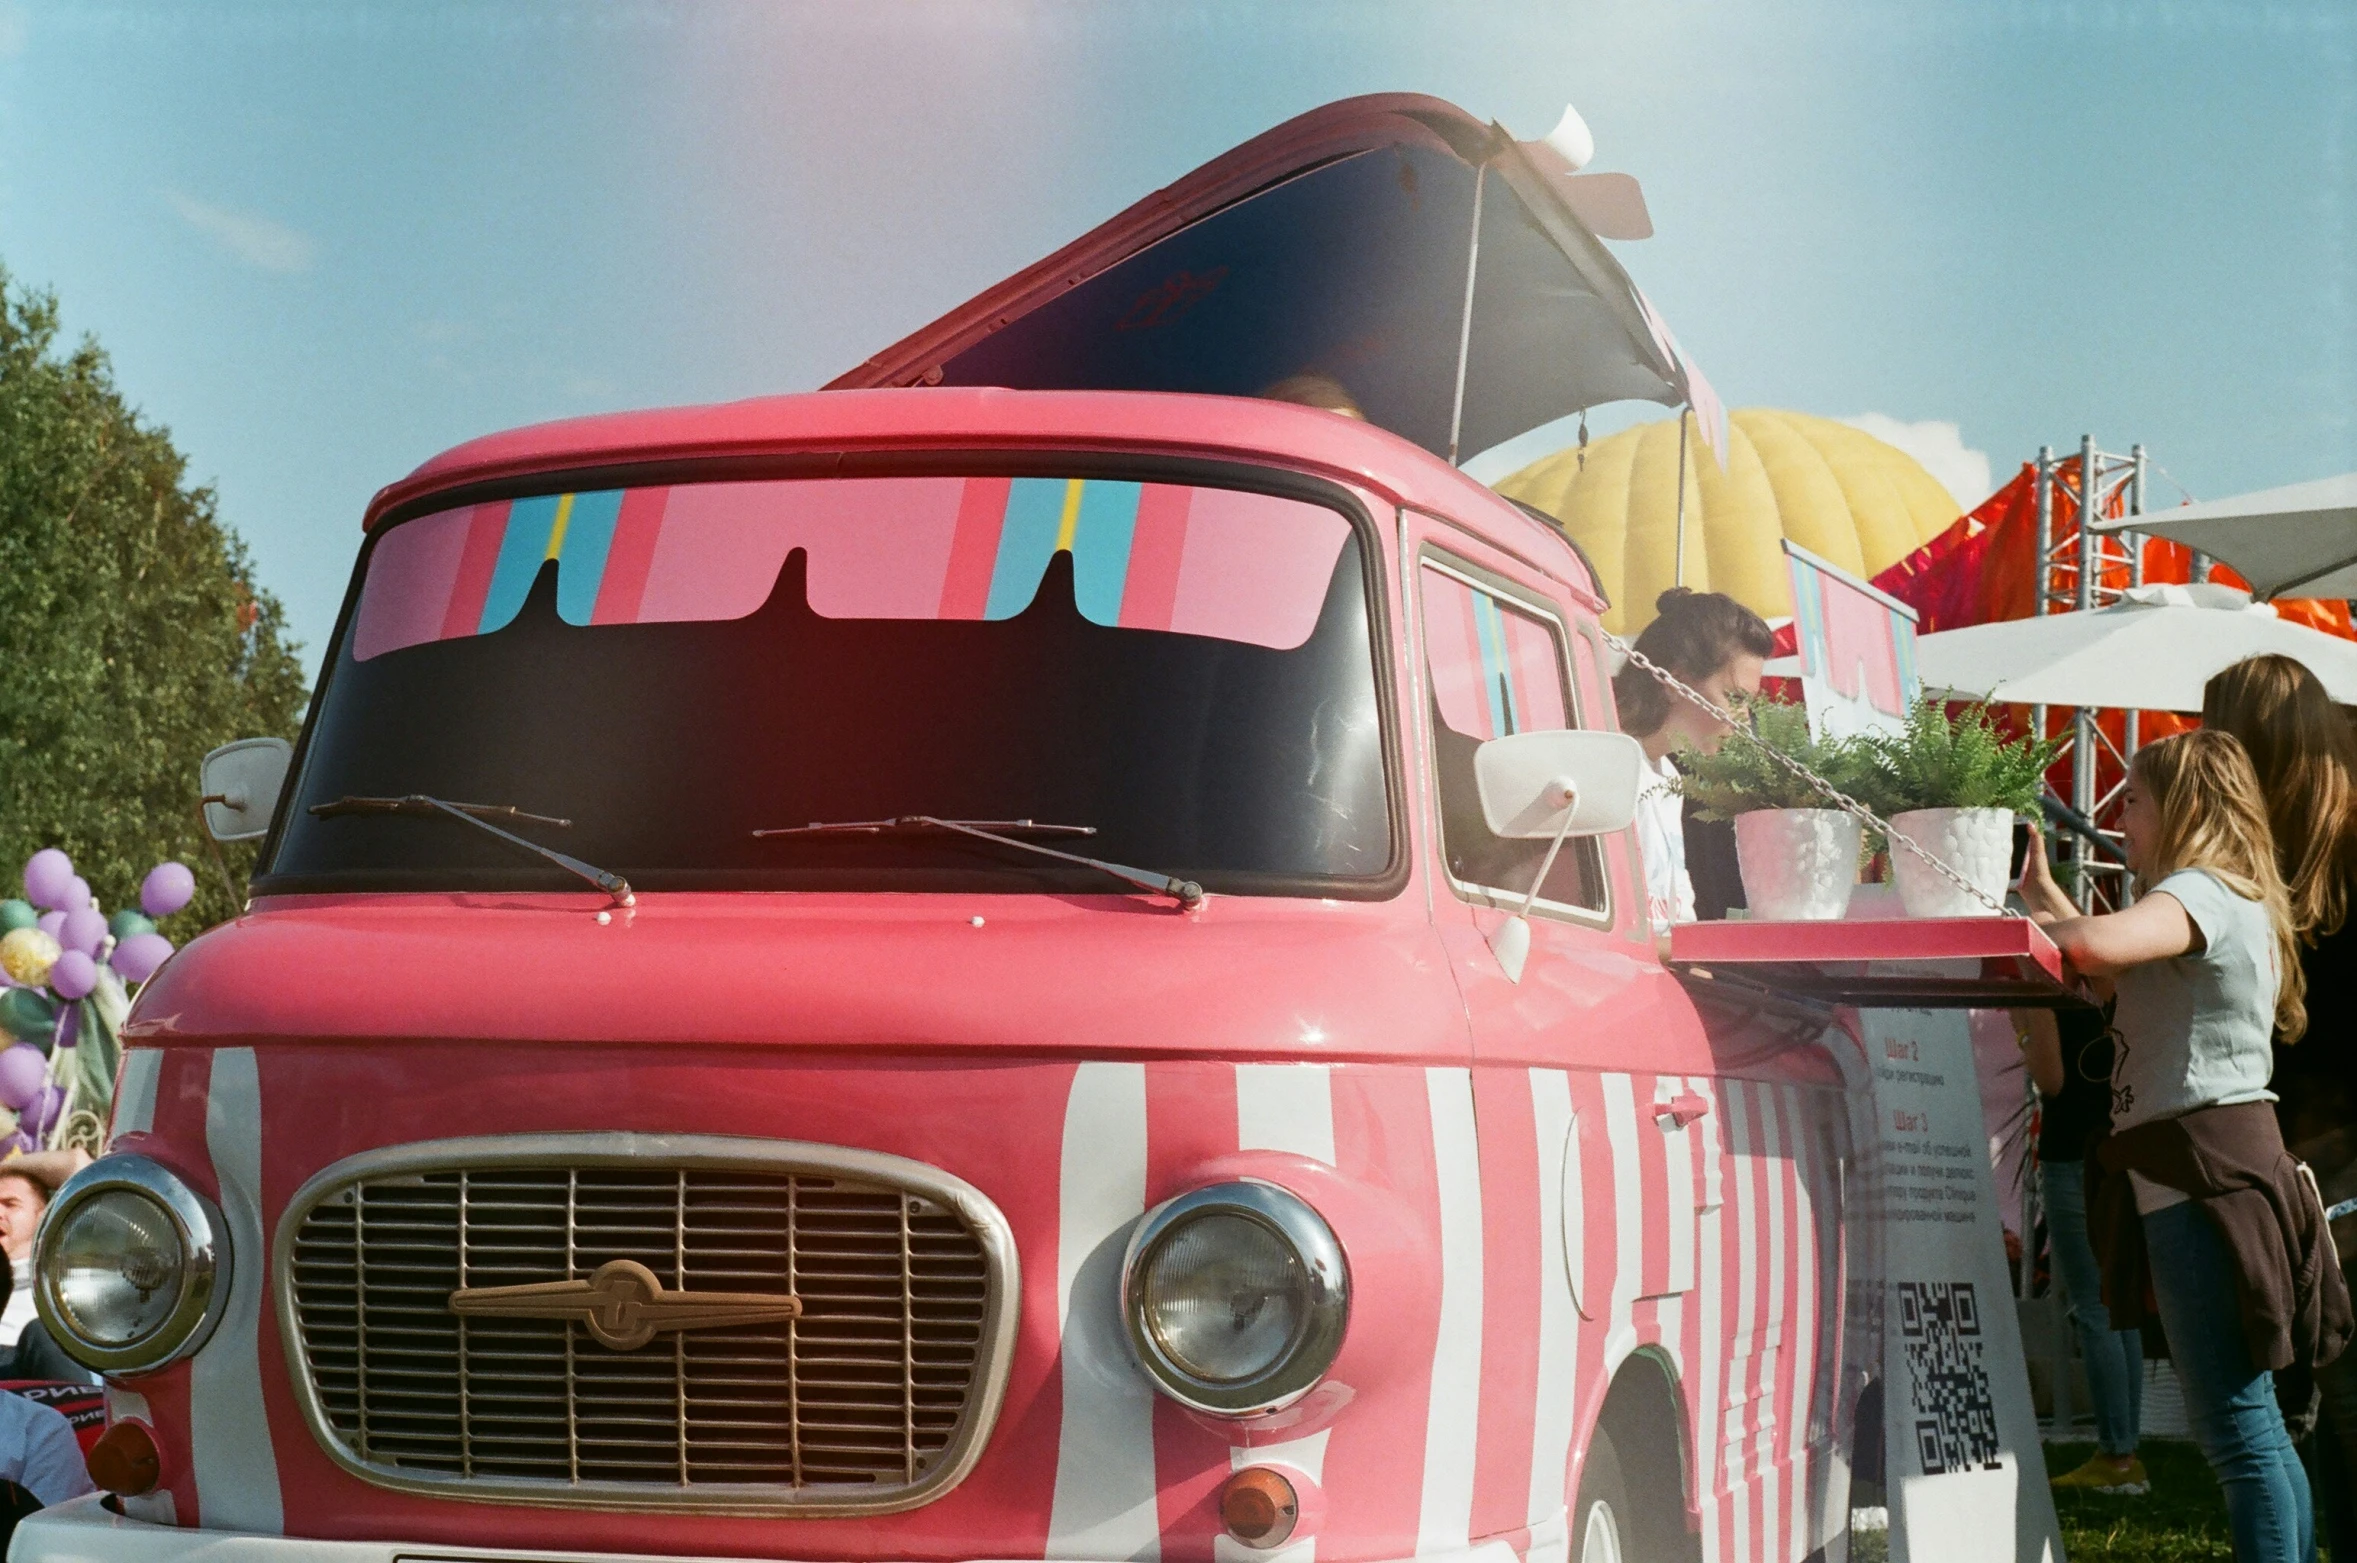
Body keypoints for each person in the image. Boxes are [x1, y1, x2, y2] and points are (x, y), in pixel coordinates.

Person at [2021, 729, 2347, 1563]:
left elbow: (2091, 950)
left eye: (2132, 797)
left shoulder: (2196, 891)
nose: (2118, 814)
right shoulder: (2221, 896)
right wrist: (2048, 901)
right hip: (2212, 1170)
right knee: (2260, 1431)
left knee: (2239, 1434)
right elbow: (2103, 962)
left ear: (2184, 807)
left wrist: (2056, 920)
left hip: (2200, 1177)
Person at [2201, 653, 2357, 1553]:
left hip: (2309, 1149)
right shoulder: (2312, 841)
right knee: (2326, 1400)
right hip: (2311, 1149)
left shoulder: (2275, 861)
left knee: (2325, 1398)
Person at [2019, 1002, 2148, 1493]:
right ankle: (2124, 1450)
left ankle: (2117, 1456)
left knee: (2095, 1309)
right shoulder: (2111, 984)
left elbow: (2051, 1081)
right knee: (2118, 1308)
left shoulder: (2044, 990)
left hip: (2071, 1155)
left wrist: (2022, 1028)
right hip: (2116, 1152)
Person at [1608, 588, 1774, 933]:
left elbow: (1675, 923)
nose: (1744, 719)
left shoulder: (1667, 778)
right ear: (1675, 682)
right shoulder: (1608, 766)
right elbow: (1613, 931)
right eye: (1734, 697)